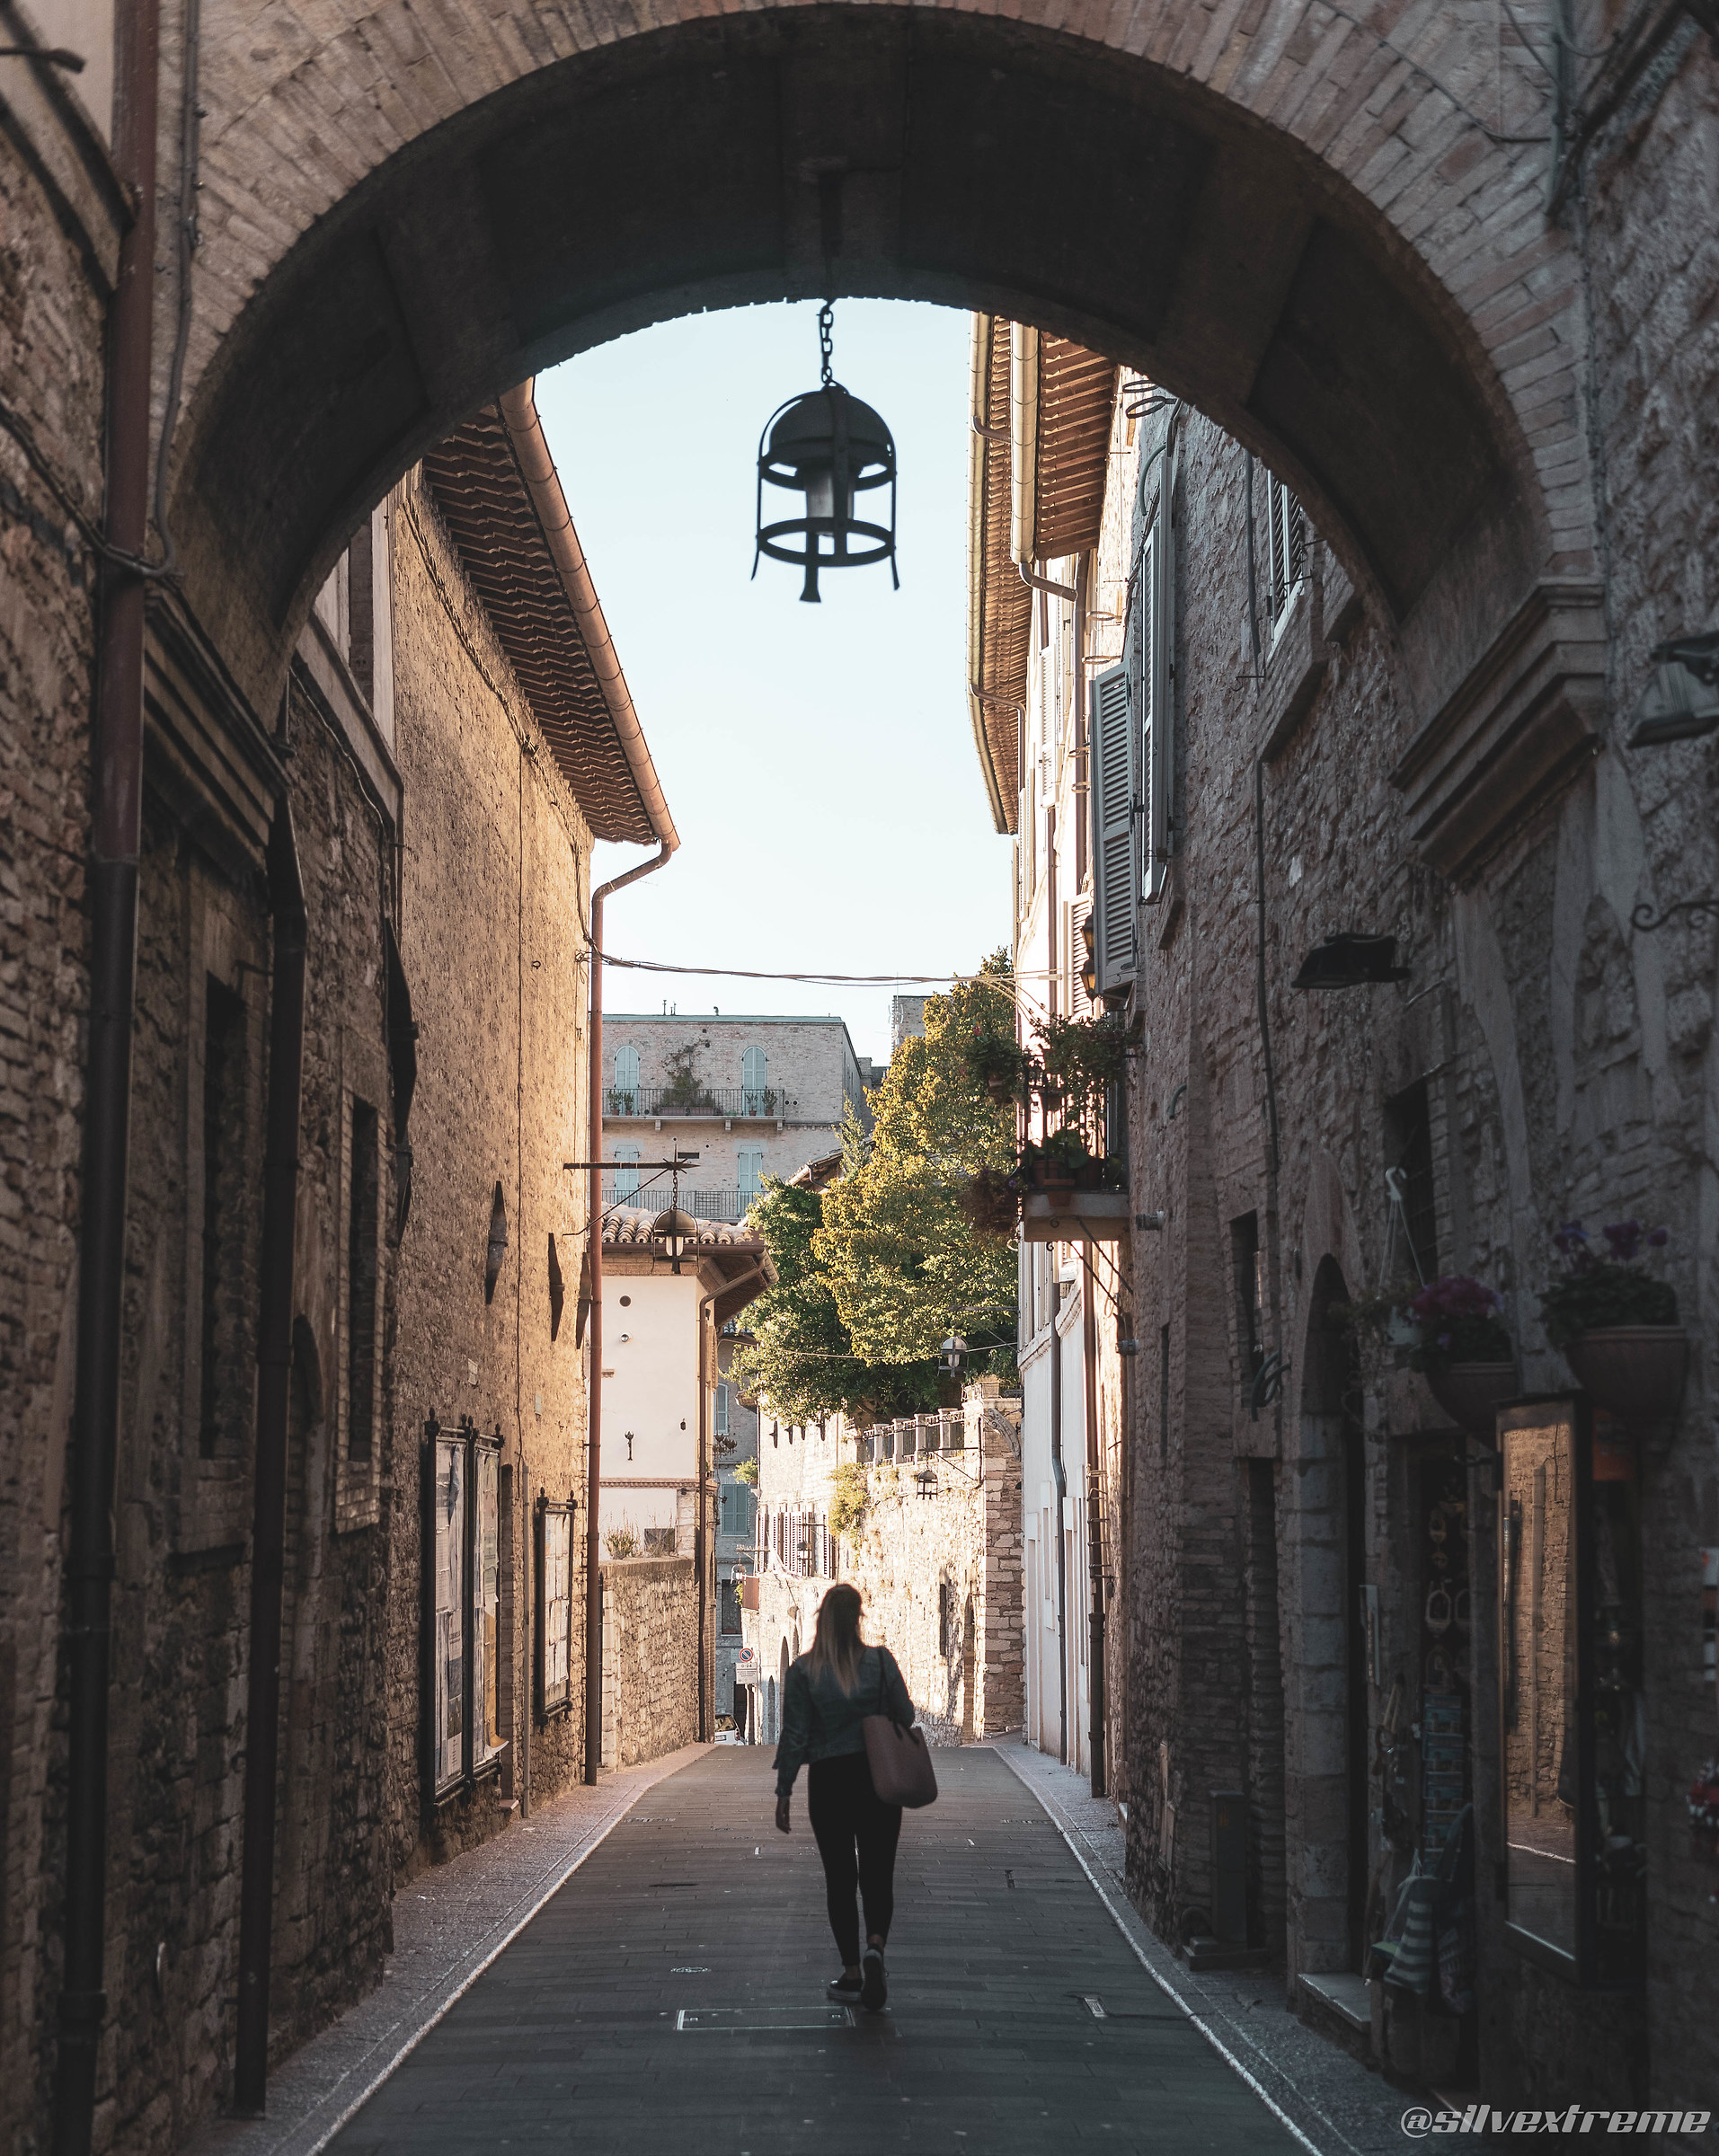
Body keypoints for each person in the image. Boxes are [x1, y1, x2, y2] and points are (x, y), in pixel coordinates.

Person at [773, 1583, 915, 2011]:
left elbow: (794, 1735)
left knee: (840, 1878)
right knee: (878, 1872)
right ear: (858, 1619)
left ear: (822, 1620)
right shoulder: (881, 1662)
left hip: (829, 1783)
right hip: (877, 1778)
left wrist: (784, 1792)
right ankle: (876, 1946)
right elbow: (906, 1714)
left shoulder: (803, 1671)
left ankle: (852, 1972)